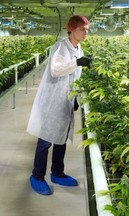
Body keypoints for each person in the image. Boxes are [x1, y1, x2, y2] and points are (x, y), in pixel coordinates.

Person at [27, 15, 92, 195]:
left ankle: (57, 173)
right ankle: (37, 176)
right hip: (52, 101)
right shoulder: (61, 47)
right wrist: (77, 62)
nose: (85, 33)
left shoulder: (78, 48)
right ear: (72, 29)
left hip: (66, 100)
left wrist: (76, 97)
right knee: (46, 139)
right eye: (82, 29)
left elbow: (74, 75)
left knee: (61, 138)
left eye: (87, 29)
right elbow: (56, 70)